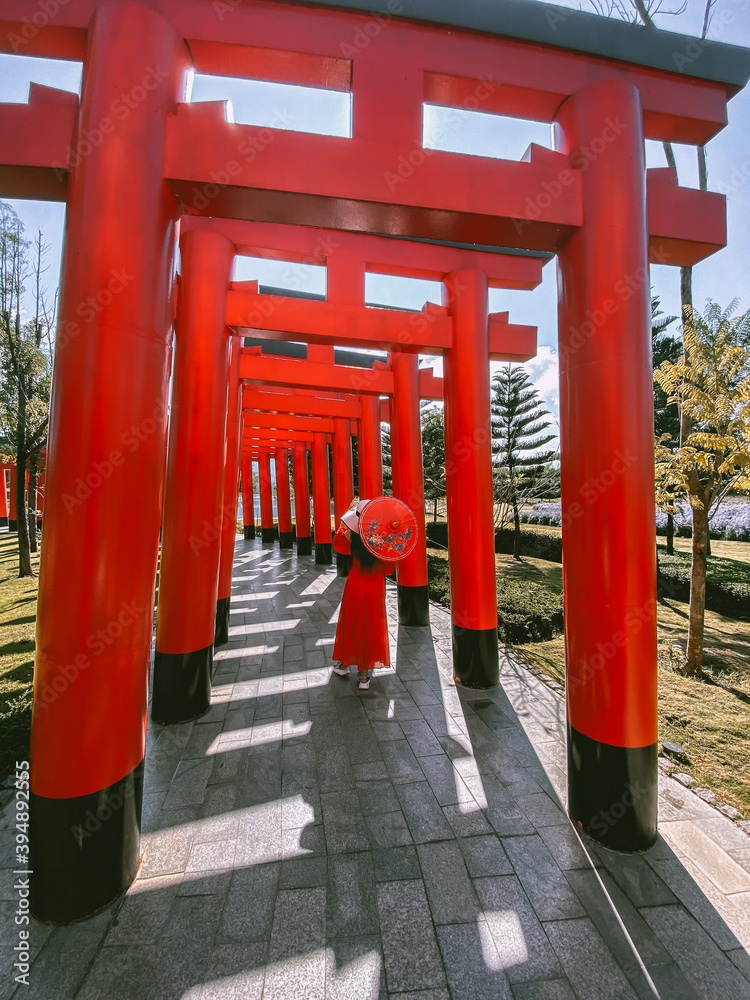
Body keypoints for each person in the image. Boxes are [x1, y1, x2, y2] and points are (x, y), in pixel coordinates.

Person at [331, 499, 392, 690]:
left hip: (355, 583)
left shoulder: (351, 537)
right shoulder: (383, 540)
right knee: (371, 624)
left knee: (352, 622)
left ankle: (342, 665)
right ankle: (364, 676)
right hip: (375, 586)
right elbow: (389, 569)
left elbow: (337, 544)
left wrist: (347, 521)